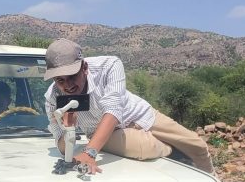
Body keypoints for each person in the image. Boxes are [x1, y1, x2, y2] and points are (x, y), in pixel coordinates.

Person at [43, 38, 214, 175]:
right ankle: (178, 156)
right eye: (60, 80)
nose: (68, 85)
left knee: (197, 145)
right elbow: (62, 147)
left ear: (84, 68)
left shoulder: (109, 66)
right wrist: (68, 129)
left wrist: (89, 153)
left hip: (140, 114)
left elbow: (113, 110)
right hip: (105, 135)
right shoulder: (53, 98)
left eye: (72, 76)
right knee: (146, 148)